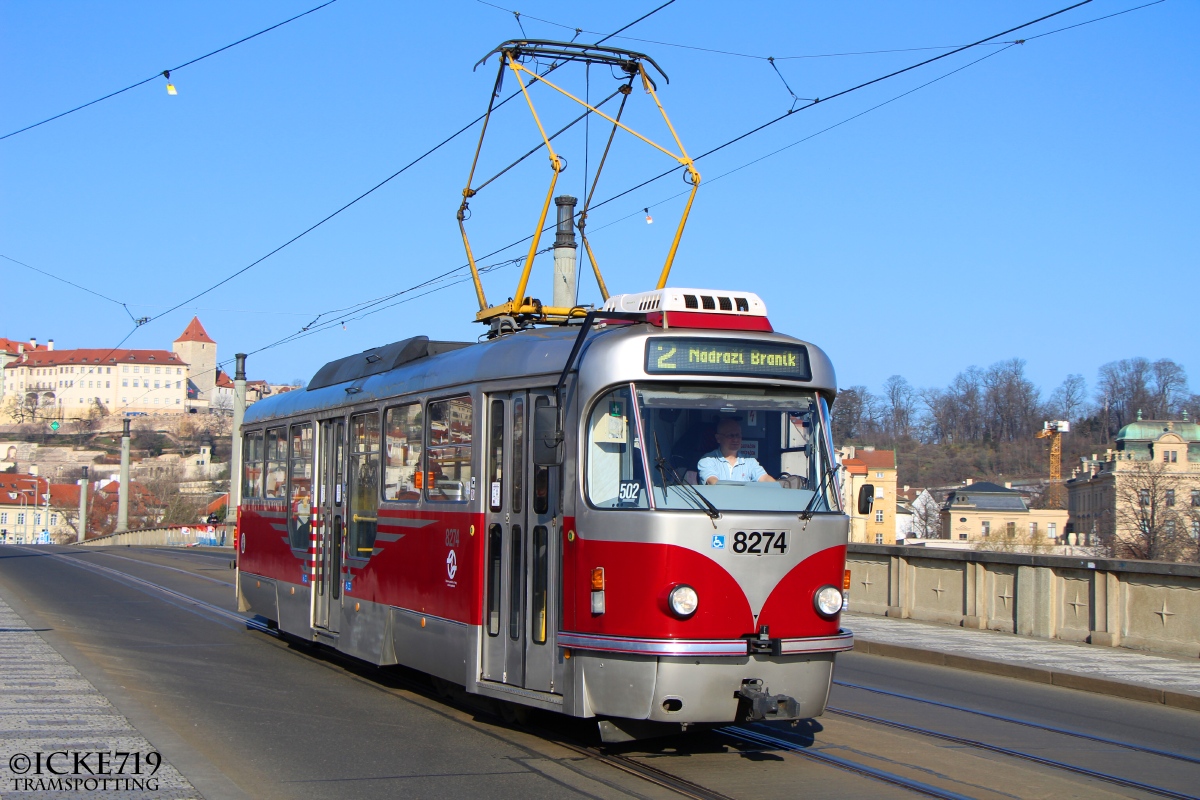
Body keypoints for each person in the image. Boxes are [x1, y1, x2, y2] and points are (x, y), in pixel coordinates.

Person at [698, 418, 775, 484]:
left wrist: (779, 487)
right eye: (730, 435)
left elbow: (764, 478)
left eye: (738, 435)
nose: (735, 439)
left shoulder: (749, 461)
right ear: (718, 438)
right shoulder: (707, 460)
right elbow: (713, 482)